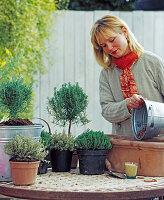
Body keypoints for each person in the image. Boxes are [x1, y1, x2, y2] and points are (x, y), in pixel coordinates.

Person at [90, 15, 164, 136]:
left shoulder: (152, 62)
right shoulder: (106, 73)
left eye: (112, 40)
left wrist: (149, 108)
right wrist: (127, 105)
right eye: (103, 46)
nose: (109, 48)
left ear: (124, 32)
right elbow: (106, 111)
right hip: (124, 144)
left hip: (157, 145)